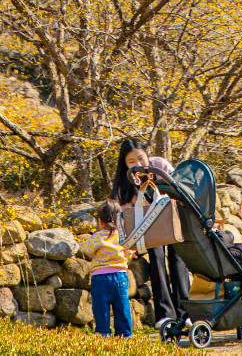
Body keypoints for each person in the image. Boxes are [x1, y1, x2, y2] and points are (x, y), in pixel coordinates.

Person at [111, 137, 190, 327]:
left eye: (141, 158)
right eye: (131, 162)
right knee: (156, 257)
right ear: (124, 163)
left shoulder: (160, 166)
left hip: (172, 221)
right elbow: (124, 215)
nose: (138, 164)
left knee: (178, 257)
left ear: (147, 154)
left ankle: (186, 312)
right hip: (147, 229)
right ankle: (165, 315)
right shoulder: (124, 182)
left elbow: (181, 189)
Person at [78, 199, 133, 338]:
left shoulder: (97, 237)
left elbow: (86, 249)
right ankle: (125, 336)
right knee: (122, 308)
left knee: (101, 308)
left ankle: (103, 334)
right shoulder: (123, 237)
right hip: (120, 277)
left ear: (100, 221)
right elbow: (129, 252)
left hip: (100, 279)